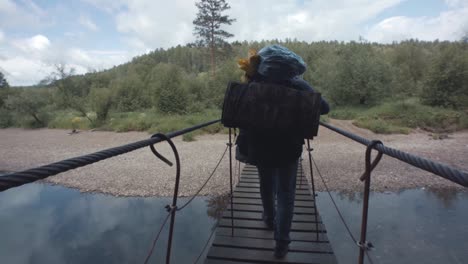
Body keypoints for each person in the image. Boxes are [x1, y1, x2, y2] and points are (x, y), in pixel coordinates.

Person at [237, 45, 329, 258]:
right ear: (289, 68)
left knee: (265, 183)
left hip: (258, 145)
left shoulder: (253, 82)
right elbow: (324, 108)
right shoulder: (297, 83)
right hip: (288, 147)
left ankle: (268, 219)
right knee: (286, 195)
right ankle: (282, 245)